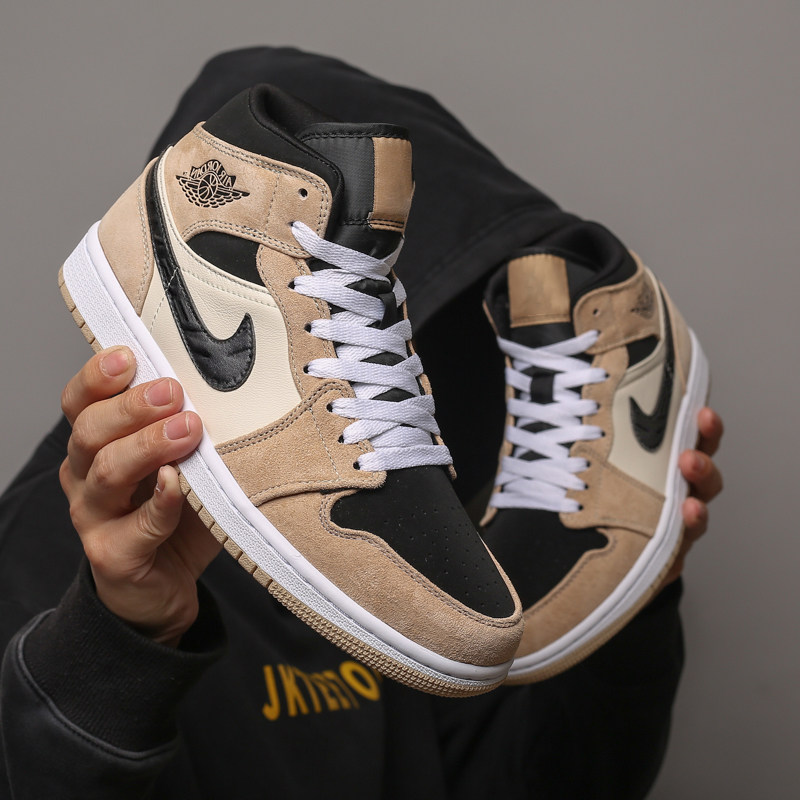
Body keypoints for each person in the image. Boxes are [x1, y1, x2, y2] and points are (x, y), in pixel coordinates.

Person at [0, 47, 723, 799]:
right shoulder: (48, 548)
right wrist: (120, 641)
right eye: (353, 313)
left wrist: (631, 607)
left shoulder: (441, 571)